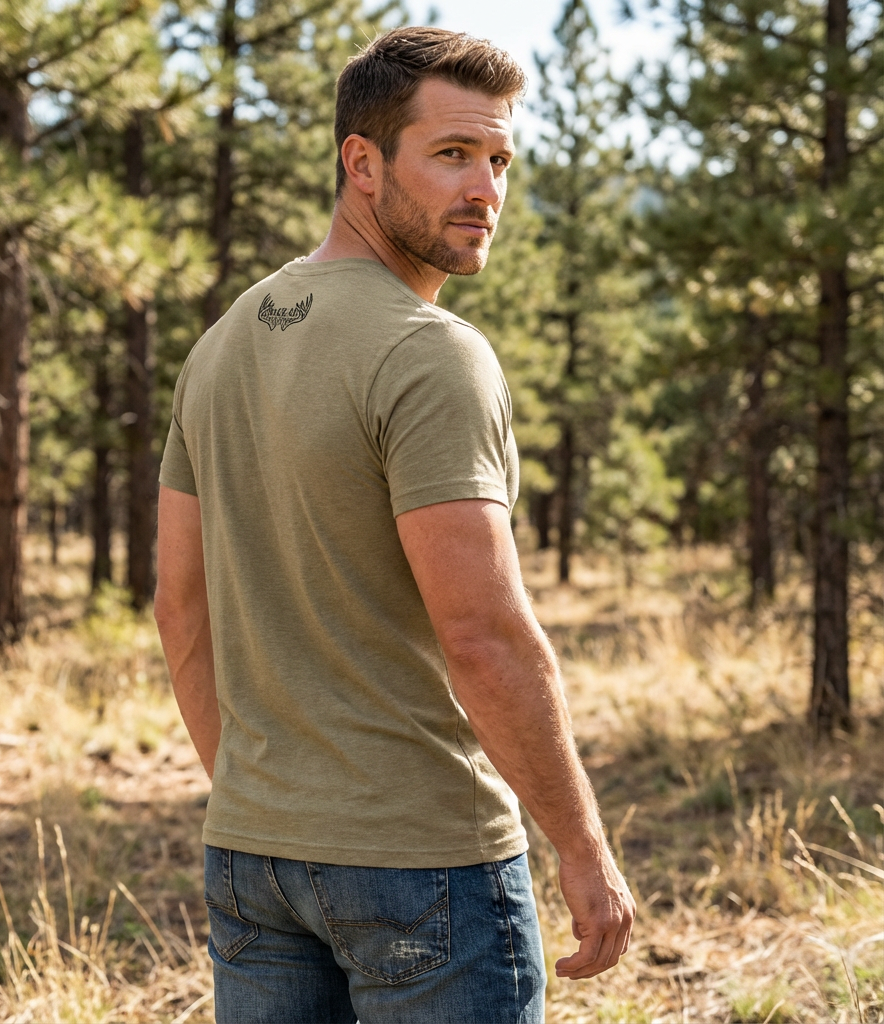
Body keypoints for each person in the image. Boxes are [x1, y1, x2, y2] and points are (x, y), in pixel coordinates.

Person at [154, 26, 635, 1024]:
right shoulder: (430, 353)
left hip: (253, 856)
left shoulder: (218, 347)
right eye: (452, 154)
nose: (485, 190)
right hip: (426, 866)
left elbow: (178, 607)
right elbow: (483, 634)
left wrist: (265, 796)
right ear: (361, 163)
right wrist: (583, 849)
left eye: (499, 159)